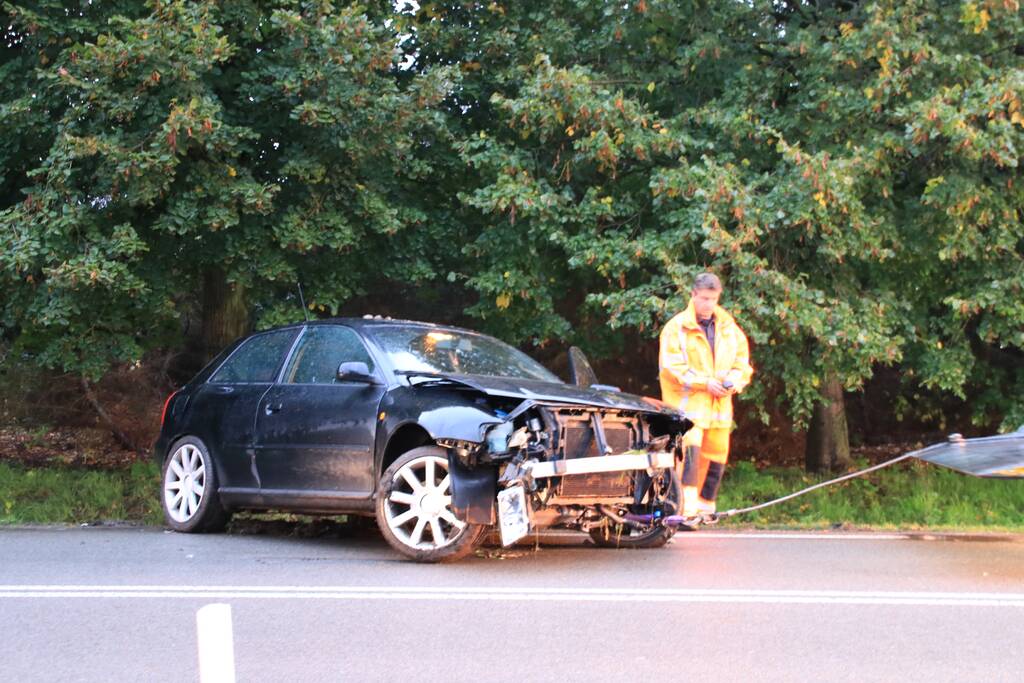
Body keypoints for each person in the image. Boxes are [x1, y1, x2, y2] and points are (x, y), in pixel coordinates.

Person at [659, 273, 754, 518]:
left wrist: (733, 382)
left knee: (715, 461)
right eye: (704, 298)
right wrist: (705, 384)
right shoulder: (676, 328)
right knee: (688, 462)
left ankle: (705, 510)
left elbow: (742, 363)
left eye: (713, 299)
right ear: (693, 295)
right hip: (688, 410)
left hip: (719, 410)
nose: (708, 304)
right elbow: (672, 368)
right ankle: (683, 512)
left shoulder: (728, 328)